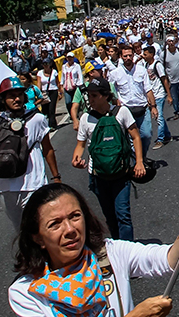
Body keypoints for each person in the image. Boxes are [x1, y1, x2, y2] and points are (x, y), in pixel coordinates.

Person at [7, 183, 179, 317]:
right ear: (37, 238)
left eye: (75, 216)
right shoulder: (26, 293)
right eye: (55, 224)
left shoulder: (108, 253)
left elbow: (168, 260)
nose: (70, 229)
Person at [0, 78, 62, 229]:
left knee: (39, 229)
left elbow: (48, 149)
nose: (17, 99)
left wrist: (56, 177)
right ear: (3, 100)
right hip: (6, 188)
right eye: (11, 96)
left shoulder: (37, 119)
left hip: (34, 185)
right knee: (20, 231)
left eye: (20, 95)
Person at [72, 78, 144, 241]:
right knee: (109, 216)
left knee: (123, 215)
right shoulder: (85, 118)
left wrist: (139, 162)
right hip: (97, 175)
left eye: (94, 96)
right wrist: (76, 158)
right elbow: (80, 144)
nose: (90, 100)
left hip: (121, 174)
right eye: (89, 96)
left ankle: (128, 251)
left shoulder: (121, 112)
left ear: (105, 96)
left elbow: (135, 136)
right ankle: (117, 247)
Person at [107, 44, 157, 156]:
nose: (128, 58)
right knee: (130, 139)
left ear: (133, 55)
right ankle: (136, 161)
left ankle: (142, 157)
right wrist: (116, 101)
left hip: (142, 109)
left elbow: (148, 89)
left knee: (146, 135)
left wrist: (153, 106)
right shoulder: (115, 73)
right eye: (125, 56)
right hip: (126, 111)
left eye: (130, 55)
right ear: (121, 56)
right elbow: (110, 91)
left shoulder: (141, 71)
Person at [143, 46, 171, 150]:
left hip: (159, 94)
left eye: (145, 54)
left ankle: (160, 139)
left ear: (151, 54)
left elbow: (164, 79)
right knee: (160, 117)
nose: (144, 56)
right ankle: (167, 135)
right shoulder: (146, 65)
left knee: (158, 117)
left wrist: (169, 95)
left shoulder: (157, 65)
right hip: (152, 96)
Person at [60, 53, 84, 125]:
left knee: (76, 101)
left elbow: (80, 76)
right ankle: (72, 115)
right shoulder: (64, 66)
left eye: (71, 57)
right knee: (68, 102)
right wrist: (61, 85)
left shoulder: (77, 66)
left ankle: (77, 113)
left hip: (75, 86)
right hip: (67, 86)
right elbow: (63, 76)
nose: (69, 59)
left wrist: (80, 84)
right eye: (68, 57)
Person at [37, 59, 60, 130]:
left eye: (47, 64)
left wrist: (60, 92)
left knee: (51, 108)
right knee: (45, 110)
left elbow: (57, 82)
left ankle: (51, 125)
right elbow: (39, 83)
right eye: (44, 64)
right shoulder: (40, 73)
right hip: (44, 92)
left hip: (53, 91)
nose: (45, 66)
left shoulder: (54, 72)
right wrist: (38, 94)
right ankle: (50, 123)